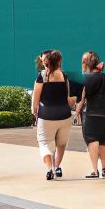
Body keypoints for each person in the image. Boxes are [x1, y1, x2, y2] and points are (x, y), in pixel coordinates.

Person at [76, 52, 105, 179]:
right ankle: (104, 169)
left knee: (92, 141)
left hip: (91, 115)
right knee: (104, 142)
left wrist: (76, 113)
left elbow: (82, 99)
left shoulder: (86, 79)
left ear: (86, 63)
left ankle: (95, 171)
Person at [31, 50, 76, 181]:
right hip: (65, 115)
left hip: (46, 116)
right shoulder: (64, 76)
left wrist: (35, 112)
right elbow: (67, 98)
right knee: (61, 144)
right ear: (59, 62)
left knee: (44, 143)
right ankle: (57, 167)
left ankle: (50, 168)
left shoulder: (42, 76)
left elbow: (36, 99)